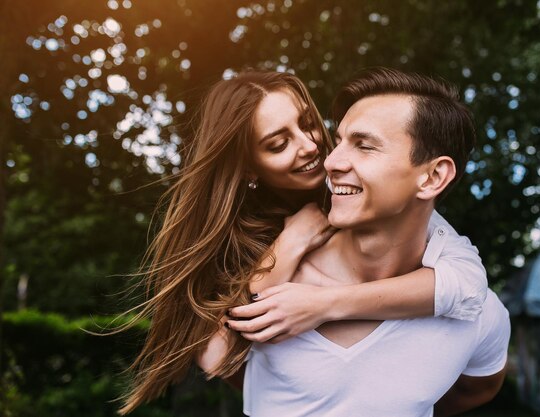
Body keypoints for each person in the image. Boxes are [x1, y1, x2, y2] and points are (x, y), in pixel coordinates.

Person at [118, 70, 488, 414]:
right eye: (279, 144)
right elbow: (217, 358)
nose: (312, 147)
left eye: (308, 124)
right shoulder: (236, 239)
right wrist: (289, 245)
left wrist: (324, 305)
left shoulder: (377, 202)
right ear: (248, 167)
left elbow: (468, 286)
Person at [240, 68, 511, 417]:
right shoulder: (274, 273)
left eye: (364, 146)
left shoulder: (478, 310)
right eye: (338, 142)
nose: (329, 160)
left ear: (432, 177)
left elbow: (479, 387)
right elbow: (223, 362)